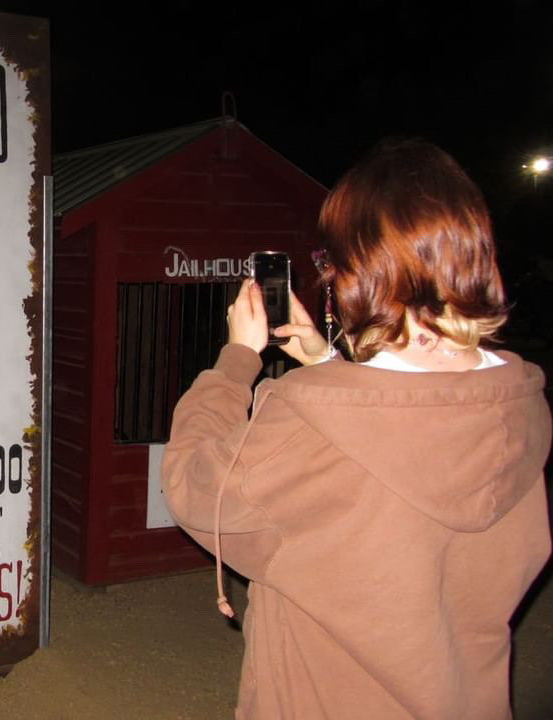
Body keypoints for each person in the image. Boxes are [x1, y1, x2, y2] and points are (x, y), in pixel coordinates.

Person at [162, 139, 551, 719]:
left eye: (331, 261)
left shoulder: (308, 424)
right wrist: (327, 366)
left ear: (366, 274)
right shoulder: (517, 402)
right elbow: (404, 434)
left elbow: (193, 486)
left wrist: (238, 359)